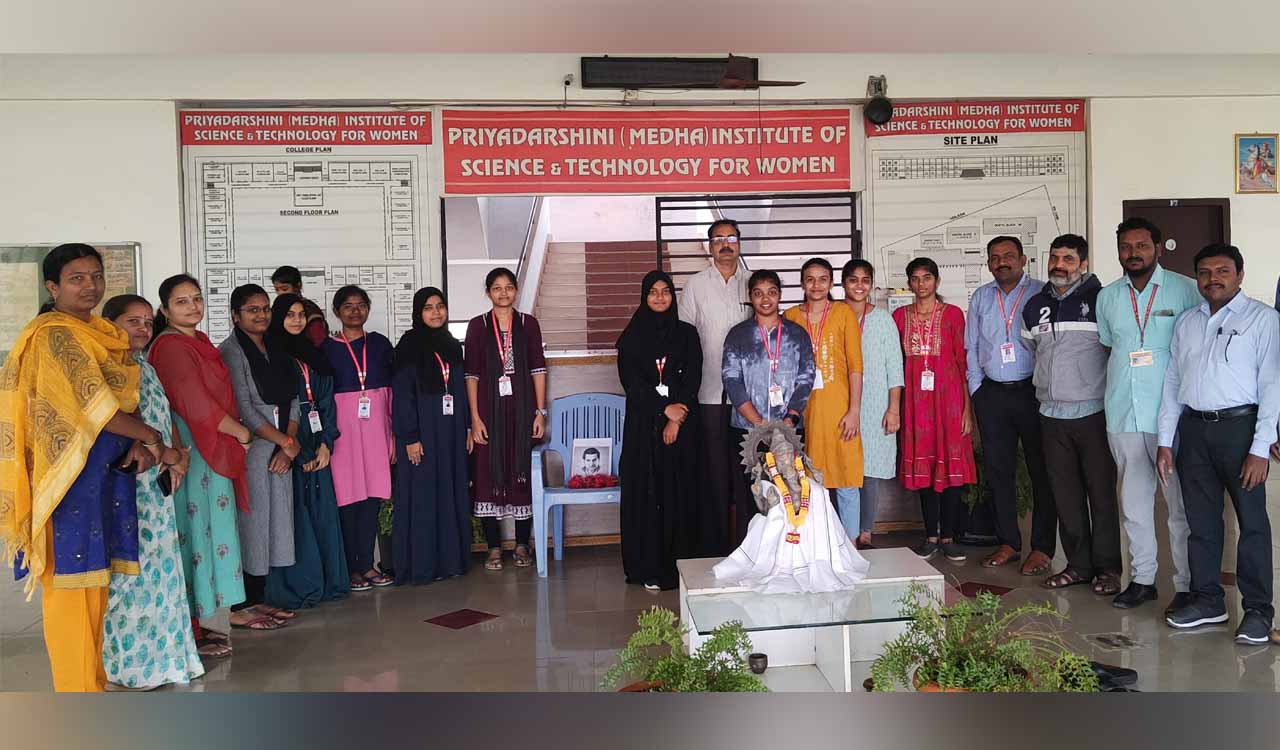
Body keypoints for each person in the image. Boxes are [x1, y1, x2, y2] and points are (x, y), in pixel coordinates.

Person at [0, 244, 174, 691]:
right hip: (67, 482)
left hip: (104, 474)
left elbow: (124, 402)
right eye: (76, 278)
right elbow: (97, 408)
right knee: (73, 592)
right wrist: (150, 438)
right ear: (52, 286)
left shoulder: (99, 333)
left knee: (97, 588)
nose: (90, 285)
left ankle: (92, 690)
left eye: (96, 276)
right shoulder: (55, 335)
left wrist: (137, 441)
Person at [1157, 243, 1278, 645]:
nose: (1214, 278)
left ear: (1239, 275)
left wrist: (1261, 446)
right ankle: (1209, 600)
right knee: (1202, 524)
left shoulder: (1263, 319)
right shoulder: (1187, 322)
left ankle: (1258, 611)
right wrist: (1165, 441)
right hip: (1193, 432)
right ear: (1197, 278)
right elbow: (1173, 381)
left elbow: (1272, 385)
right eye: (1205, 272)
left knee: (1253, 526)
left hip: (1240, 432)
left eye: (1223, 270)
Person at [100, 294, 205, 688]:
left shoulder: (143, 364)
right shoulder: (109, 366)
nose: (143, 329)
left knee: (162, 570)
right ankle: (130, 666)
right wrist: (166, 453)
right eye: (133, 322)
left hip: (157, 485)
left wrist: (177, 456)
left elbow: (164, 413)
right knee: (132, 574)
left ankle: (167, 658)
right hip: (129, 488)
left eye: (147, 322)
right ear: (110, 325)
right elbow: (121, 424)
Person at [1096, 218, 1200, 611]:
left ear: (1158, 247)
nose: (1133, 253)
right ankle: (1142, 579)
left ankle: (1187, 585)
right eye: (1126, 247)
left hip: (1170, 417)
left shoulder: (1185, 290)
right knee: (1134, 504)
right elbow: (1111, 348)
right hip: (1123, 413)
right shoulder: (1107, 298)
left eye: (1141, 245)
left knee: (1179, 507)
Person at [148, 274, 250, 652]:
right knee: (195, 533)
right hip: (192, 449)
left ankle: (208, 621)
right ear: (165, 310)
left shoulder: (200, 341)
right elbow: (195, 405)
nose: (193, 306)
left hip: (213, 447)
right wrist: (240, 432)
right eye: (181, 302)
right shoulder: (171, 346)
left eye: (197, 299)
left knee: (212, 533)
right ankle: (194, 625)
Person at [1020, 234, 1121, 595]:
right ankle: (1078, 565)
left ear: (1084, 263)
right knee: (1065, 494)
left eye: (1068, 258)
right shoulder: (1035, 306)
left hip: (1093, 413)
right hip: (1050, 415)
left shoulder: (1103, 300)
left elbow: (1116, 351)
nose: (1059, 265)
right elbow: (1031, 347)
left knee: (1101, 494)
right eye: (1054, 257)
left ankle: (1108, 568)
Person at [964, 236, 1057, 575]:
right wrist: (977, 391)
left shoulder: (1043, 293)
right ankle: (1009, 543)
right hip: (992, 394)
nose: (1001, 262)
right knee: (999, 471)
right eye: (995, 257)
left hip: (1033, 392)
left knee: (1041, 471)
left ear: (1022, 259)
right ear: (988, 263)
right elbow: (971, 347)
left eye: (1008, 256)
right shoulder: (981, 297)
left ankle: (1043, 547)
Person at [616, 270, 703, 591]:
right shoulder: (630, 339)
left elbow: (693, 378)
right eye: (653, 292)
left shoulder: (687, 334)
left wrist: (675, 418)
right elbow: (633, 384)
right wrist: (663, 409)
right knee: (647, 493)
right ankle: (649, 567)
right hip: (643, 428)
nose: (660, 297)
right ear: (644, 296)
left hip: (682, 426)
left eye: (665, 291)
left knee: (679, 491)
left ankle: (682, 565)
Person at [220, 284, 300, 630]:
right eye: (252, 309)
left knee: (275, 523)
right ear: (236, 315)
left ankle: (260, 597)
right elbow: (245, 407)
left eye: (265, 308)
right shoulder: (230, 351)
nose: (261, 315)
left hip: (283, 445)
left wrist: (290, 443)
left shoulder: (276, 346)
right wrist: (283, 441)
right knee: (252, 523)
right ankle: (242, 604)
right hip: (254, 447)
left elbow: (294, 398)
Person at [263, 293, 350, 608]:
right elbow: (269, 410)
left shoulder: (314, 356)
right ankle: (300, 587)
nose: (297, 320)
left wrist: (327, 443)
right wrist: (295, 452)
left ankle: (329, 582)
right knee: (294, 518)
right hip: (288, 446)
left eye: (301, 314)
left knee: (322, 514)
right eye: (290, 315)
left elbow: (326, 402)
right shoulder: (270, 356)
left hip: (317, 443)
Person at [712, 422, 870, 594]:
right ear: (772, 461)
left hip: (808, 538)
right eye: (781, 455)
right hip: (780, 541)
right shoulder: (770, 487)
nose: (786, 459)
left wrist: (816, 478)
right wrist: (760, 496)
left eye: (788, 454)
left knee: (818, 492)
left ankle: (819, 559)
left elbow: (815, 490)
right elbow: (764, 510)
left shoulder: (805, 482)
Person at [722, 269, 815, 545]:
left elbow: (806, 376)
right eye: (758, 293)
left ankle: (786, 550)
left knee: (789, 489)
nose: (765, 299)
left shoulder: (797, 334)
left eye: (771, 292)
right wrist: (758, 422)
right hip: (747, 432)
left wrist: (790, 418)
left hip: (788, 429)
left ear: (780, 296)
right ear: (750, 297)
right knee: (751, 493)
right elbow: (731, 379)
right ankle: (752, 550)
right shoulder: (738, 335)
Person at [893, 257, 976, 562]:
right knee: (924, 471)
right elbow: (895, 365)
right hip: (915, 404)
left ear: (937, 281)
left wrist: (968, 410)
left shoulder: (953, 315)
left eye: (927, 277)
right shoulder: (900, 317)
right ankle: (930, 536)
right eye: (915, 279)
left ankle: (950, 537)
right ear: (910, 284)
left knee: (951, 473)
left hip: (950, 401)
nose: (921, 284)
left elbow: (963, 363)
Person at [465, 268, 548, 571]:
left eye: (508, 287)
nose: (503, 293)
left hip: (521, 411)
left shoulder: (529, 324)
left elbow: (538, 369)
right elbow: (471, 375)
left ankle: (522, 545)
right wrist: (474, 418)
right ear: (488, 292)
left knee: (521, 472)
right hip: (488, 412)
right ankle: (494, 548)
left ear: (516, 290)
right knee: (487, 474)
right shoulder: (477, 326)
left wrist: (540, 412)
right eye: (497, 288)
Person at [678, 219, 750, 555]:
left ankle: (750, 544)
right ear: (709, 246)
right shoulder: (695, 286)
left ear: (739, 243)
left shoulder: (754, 284)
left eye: (731, 238)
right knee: (714, 472)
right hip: (708, 393)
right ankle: (717, 545)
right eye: (718, 239)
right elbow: (686, 342)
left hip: (750, 399)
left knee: (747, 471)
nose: (725, 244)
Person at [391, 287, 473, 585]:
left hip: (450, 432)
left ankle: (450, 562)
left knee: (450, 491)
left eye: (440, 306)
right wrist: (410, 436)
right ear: (418, 313)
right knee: (423, 496)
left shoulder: (452, 345)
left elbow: (461, 391)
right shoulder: (409, 346)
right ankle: (422, 565)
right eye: (429, 307)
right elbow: (402, 395)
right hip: (422, 432)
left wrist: (465, 427)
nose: (436, 312)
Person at [783, 258, 864, 545]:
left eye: (822, 279)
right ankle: (820, 544)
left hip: (839, 406)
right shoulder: (791, 316)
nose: (816, 285)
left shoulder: (843, 313)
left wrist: (854, 410)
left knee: (845, 477)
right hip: (803, 407)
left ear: (831, 283)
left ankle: (850, 544)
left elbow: (855, 365)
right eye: (810, 279)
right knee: (811, 480)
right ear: (802, 283)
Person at [321, 285, 395, 590]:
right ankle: (349, 567)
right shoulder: (326, 349)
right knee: (347, 498)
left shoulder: (379, 344)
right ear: (337, 311)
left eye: (361, 305)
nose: (355, 310)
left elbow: (394, 389)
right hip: (344, 431)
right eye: (348, 306)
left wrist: (393, 436)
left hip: (377, 426)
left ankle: (366, 565)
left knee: (371, 498)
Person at [841, 260, 904, 549]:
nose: (859, 286)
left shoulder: (883, 319)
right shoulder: (835, 316)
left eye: (865, 280)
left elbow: (895, 367)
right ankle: (842, 530)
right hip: (840, 402)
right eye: (853, 280)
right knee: (841, 468)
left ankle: (865, 531)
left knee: (870, 471)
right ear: (843, 283)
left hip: (876, 402)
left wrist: (894, 408)